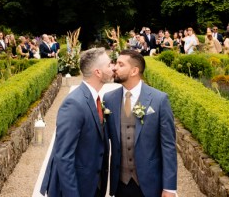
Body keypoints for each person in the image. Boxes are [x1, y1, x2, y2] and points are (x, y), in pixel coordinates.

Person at [40, 48, 113, 197]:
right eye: (109, 65)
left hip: (92, 183)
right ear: (97, 72)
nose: (113, 67)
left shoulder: (95, 99)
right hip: (76, 187)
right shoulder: (74, 103)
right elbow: (64, 156)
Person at [105, 50, 177, 197]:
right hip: (120, 183)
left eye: (120, 64)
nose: (114, 68)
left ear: (134, 71)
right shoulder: (109, 99)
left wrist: (169, 188)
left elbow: (168, 146)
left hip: (150, 184)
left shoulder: (159, 100)